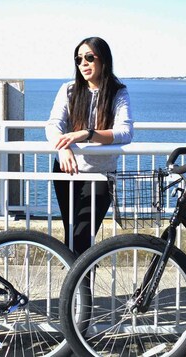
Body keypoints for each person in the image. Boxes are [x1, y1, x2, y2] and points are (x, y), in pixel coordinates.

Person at [46, 36, 133, 256]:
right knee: (71, 234)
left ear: (104, 60)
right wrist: (62, 147)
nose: (83, 63)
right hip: (66, 171)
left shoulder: (117, 92)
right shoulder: (69, 90)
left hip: (100, 175)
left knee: (82, 235)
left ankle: (82, 290)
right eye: (79, 59)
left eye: (89, 57)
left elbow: (125, 132)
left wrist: (88, 134)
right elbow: (53, 125)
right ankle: (76, 289)